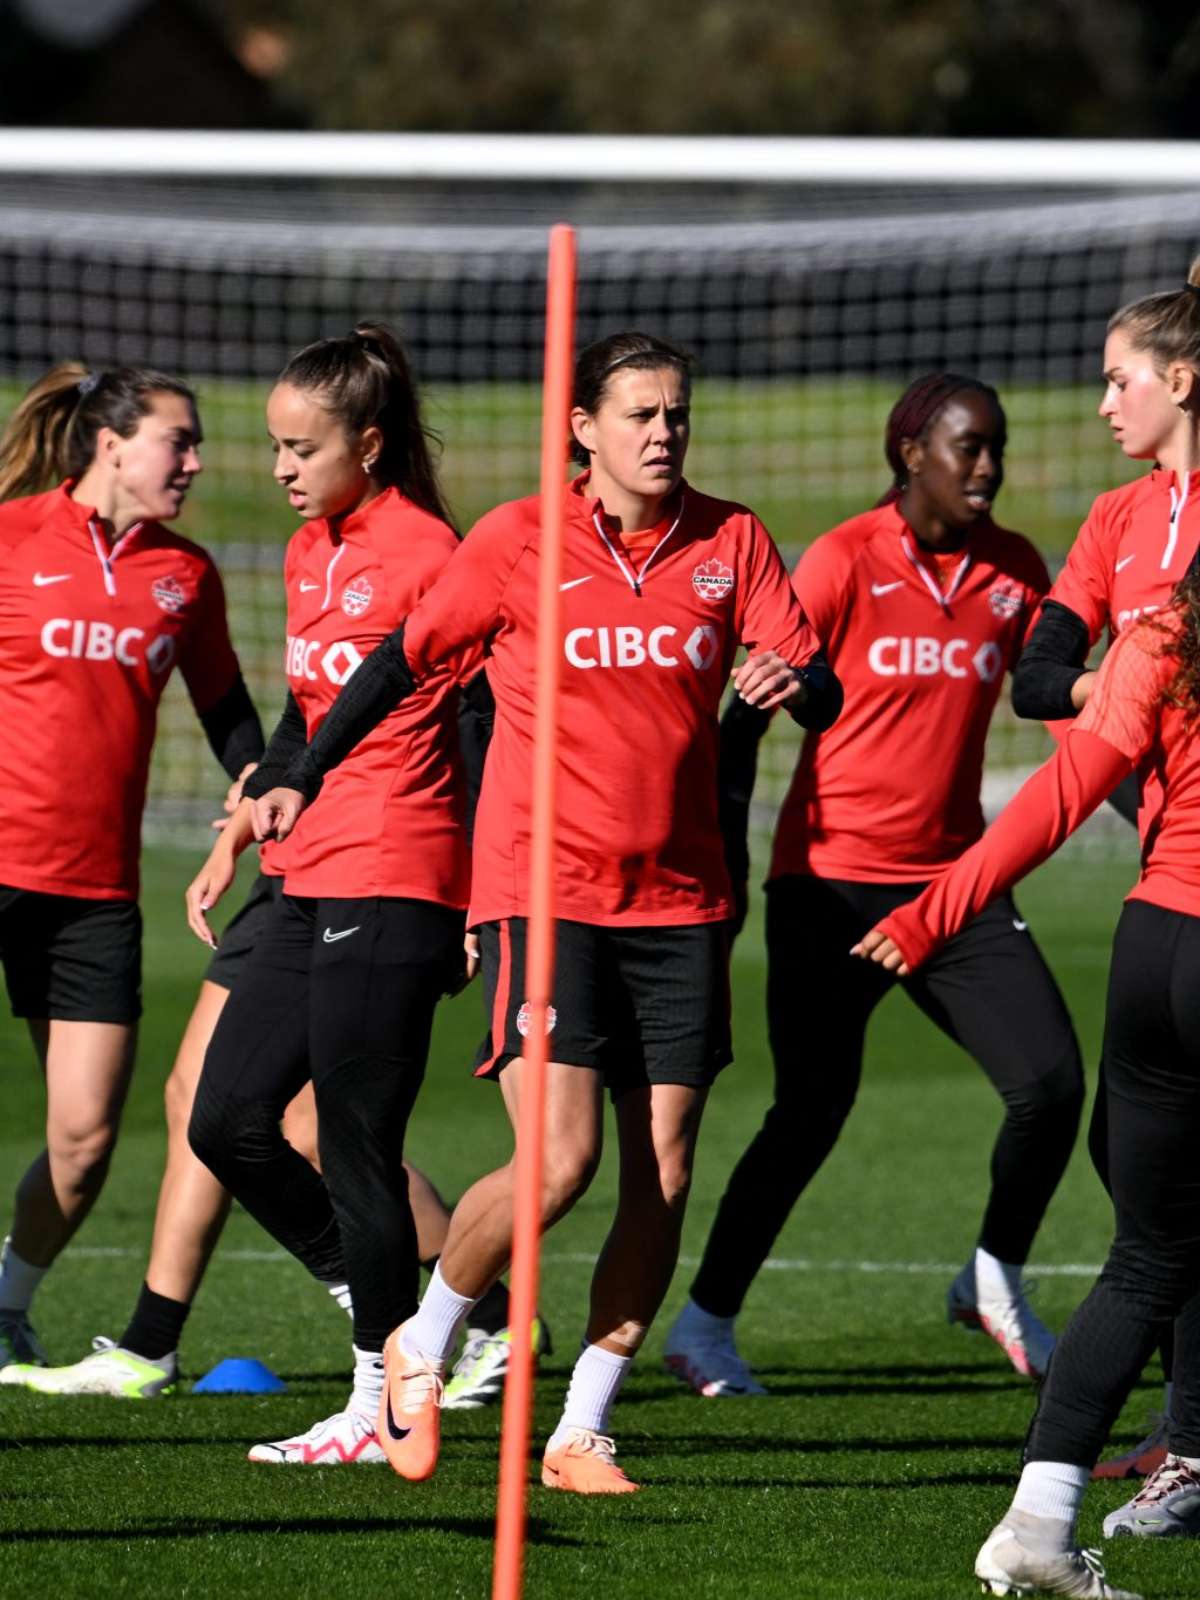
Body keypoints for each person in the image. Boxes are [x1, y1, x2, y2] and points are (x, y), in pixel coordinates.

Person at [250, 330, 842, 1493]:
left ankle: (581, 1429)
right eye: (639, 414)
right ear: (583, 428)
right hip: (544, 892)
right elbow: (399, 662)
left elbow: (815, 675)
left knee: (662, 1172)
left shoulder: (734, 540)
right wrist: (303, 769)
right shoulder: (517, 539)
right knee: (556, 1162)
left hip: (684, 903)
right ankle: (426, 1338)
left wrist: (794, 685)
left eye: (676, 413)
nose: (663, 432)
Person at [664, 375, 1084, 1398]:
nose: (986, 466)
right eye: (966, 447)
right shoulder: (845, 558)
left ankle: (990, 1275)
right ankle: (704, 1325)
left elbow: (1081, 739)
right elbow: (749, 716)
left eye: (995, 447)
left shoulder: (1019, 570)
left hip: (954, 885)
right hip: (829, 885)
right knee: (810, 1110)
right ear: (911, 454)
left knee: (1051, 1084)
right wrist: (718, 870)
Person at [183, 323, 503, 1467]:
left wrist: (479, 902)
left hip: (401, 871)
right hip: (303, 869)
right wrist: (245, 818)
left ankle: (376, 1405)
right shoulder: (309, 549)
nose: (277, 467)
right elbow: (304, 711)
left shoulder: (434, 551)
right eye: (273, 446)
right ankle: (404, 1331)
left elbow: (482, 725)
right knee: (224, 1119)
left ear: (366, 444)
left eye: (299, 448)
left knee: (361, 1147)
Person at [852, 564, 1200, 1595]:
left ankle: (1037, 1528)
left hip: (1153, 950)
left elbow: (1056, 797)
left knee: (1148, 1258)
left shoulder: (1161, 634)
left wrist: (932, 908)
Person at [0, 362, 262, 1373]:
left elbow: (231, 715)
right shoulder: (13, 538)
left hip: (93, 894)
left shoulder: (186, 575)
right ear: (111, 444)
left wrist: (267, 782)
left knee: (83, 1144)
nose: (194, 462)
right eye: (177, 442)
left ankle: (8, 1307)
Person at [1012, 264, 1200, 1486]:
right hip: (1166, 884)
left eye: (1117, 379)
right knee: (1149, 1195)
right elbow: (1036, 681)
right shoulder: (1116, 522)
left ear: (1181, 381)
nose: (1101, 406)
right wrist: (1133, 687)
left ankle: (1176, 1442)